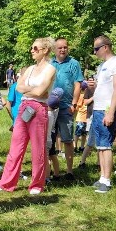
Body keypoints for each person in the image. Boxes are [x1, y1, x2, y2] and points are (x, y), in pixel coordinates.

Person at [0, 38, 56, 196]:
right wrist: (34, 89)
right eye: (32, 48)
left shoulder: (50, 69)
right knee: (16, 147)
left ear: (45, 50)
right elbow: (19, 87)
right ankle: (5, 183)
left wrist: (32, 90)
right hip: (24, 108)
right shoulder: (30, 68)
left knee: (38, 149)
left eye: (35, 48)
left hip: (39, 110)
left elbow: (41, 93)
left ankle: (37, 185)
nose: (32, 50)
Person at [88, 35, 116, 193]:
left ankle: (107, 180)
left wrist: (111, 113)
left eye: (96, 49)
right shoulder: (102, 66)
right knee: (100, 146)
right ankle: (102, 177)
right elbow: (103, 86)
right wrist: (93, 86)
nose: (95, 52)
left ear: (105, 47)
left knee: (106, 144)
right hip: (97, 108)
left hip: (107, 109)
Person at [48, 37, 83, 182]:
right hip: (50, 107)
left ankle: (69, 171)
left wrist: (74, 104)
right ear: (54, 49)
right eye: (60, 47)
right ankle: (49, 170)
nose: (63, 50)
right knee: (48, 140)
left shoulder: (74, 64)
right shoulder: (49, 64)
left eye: (65, 47)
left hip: (66, 107)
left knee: (67, 139)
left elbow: (77, 84)